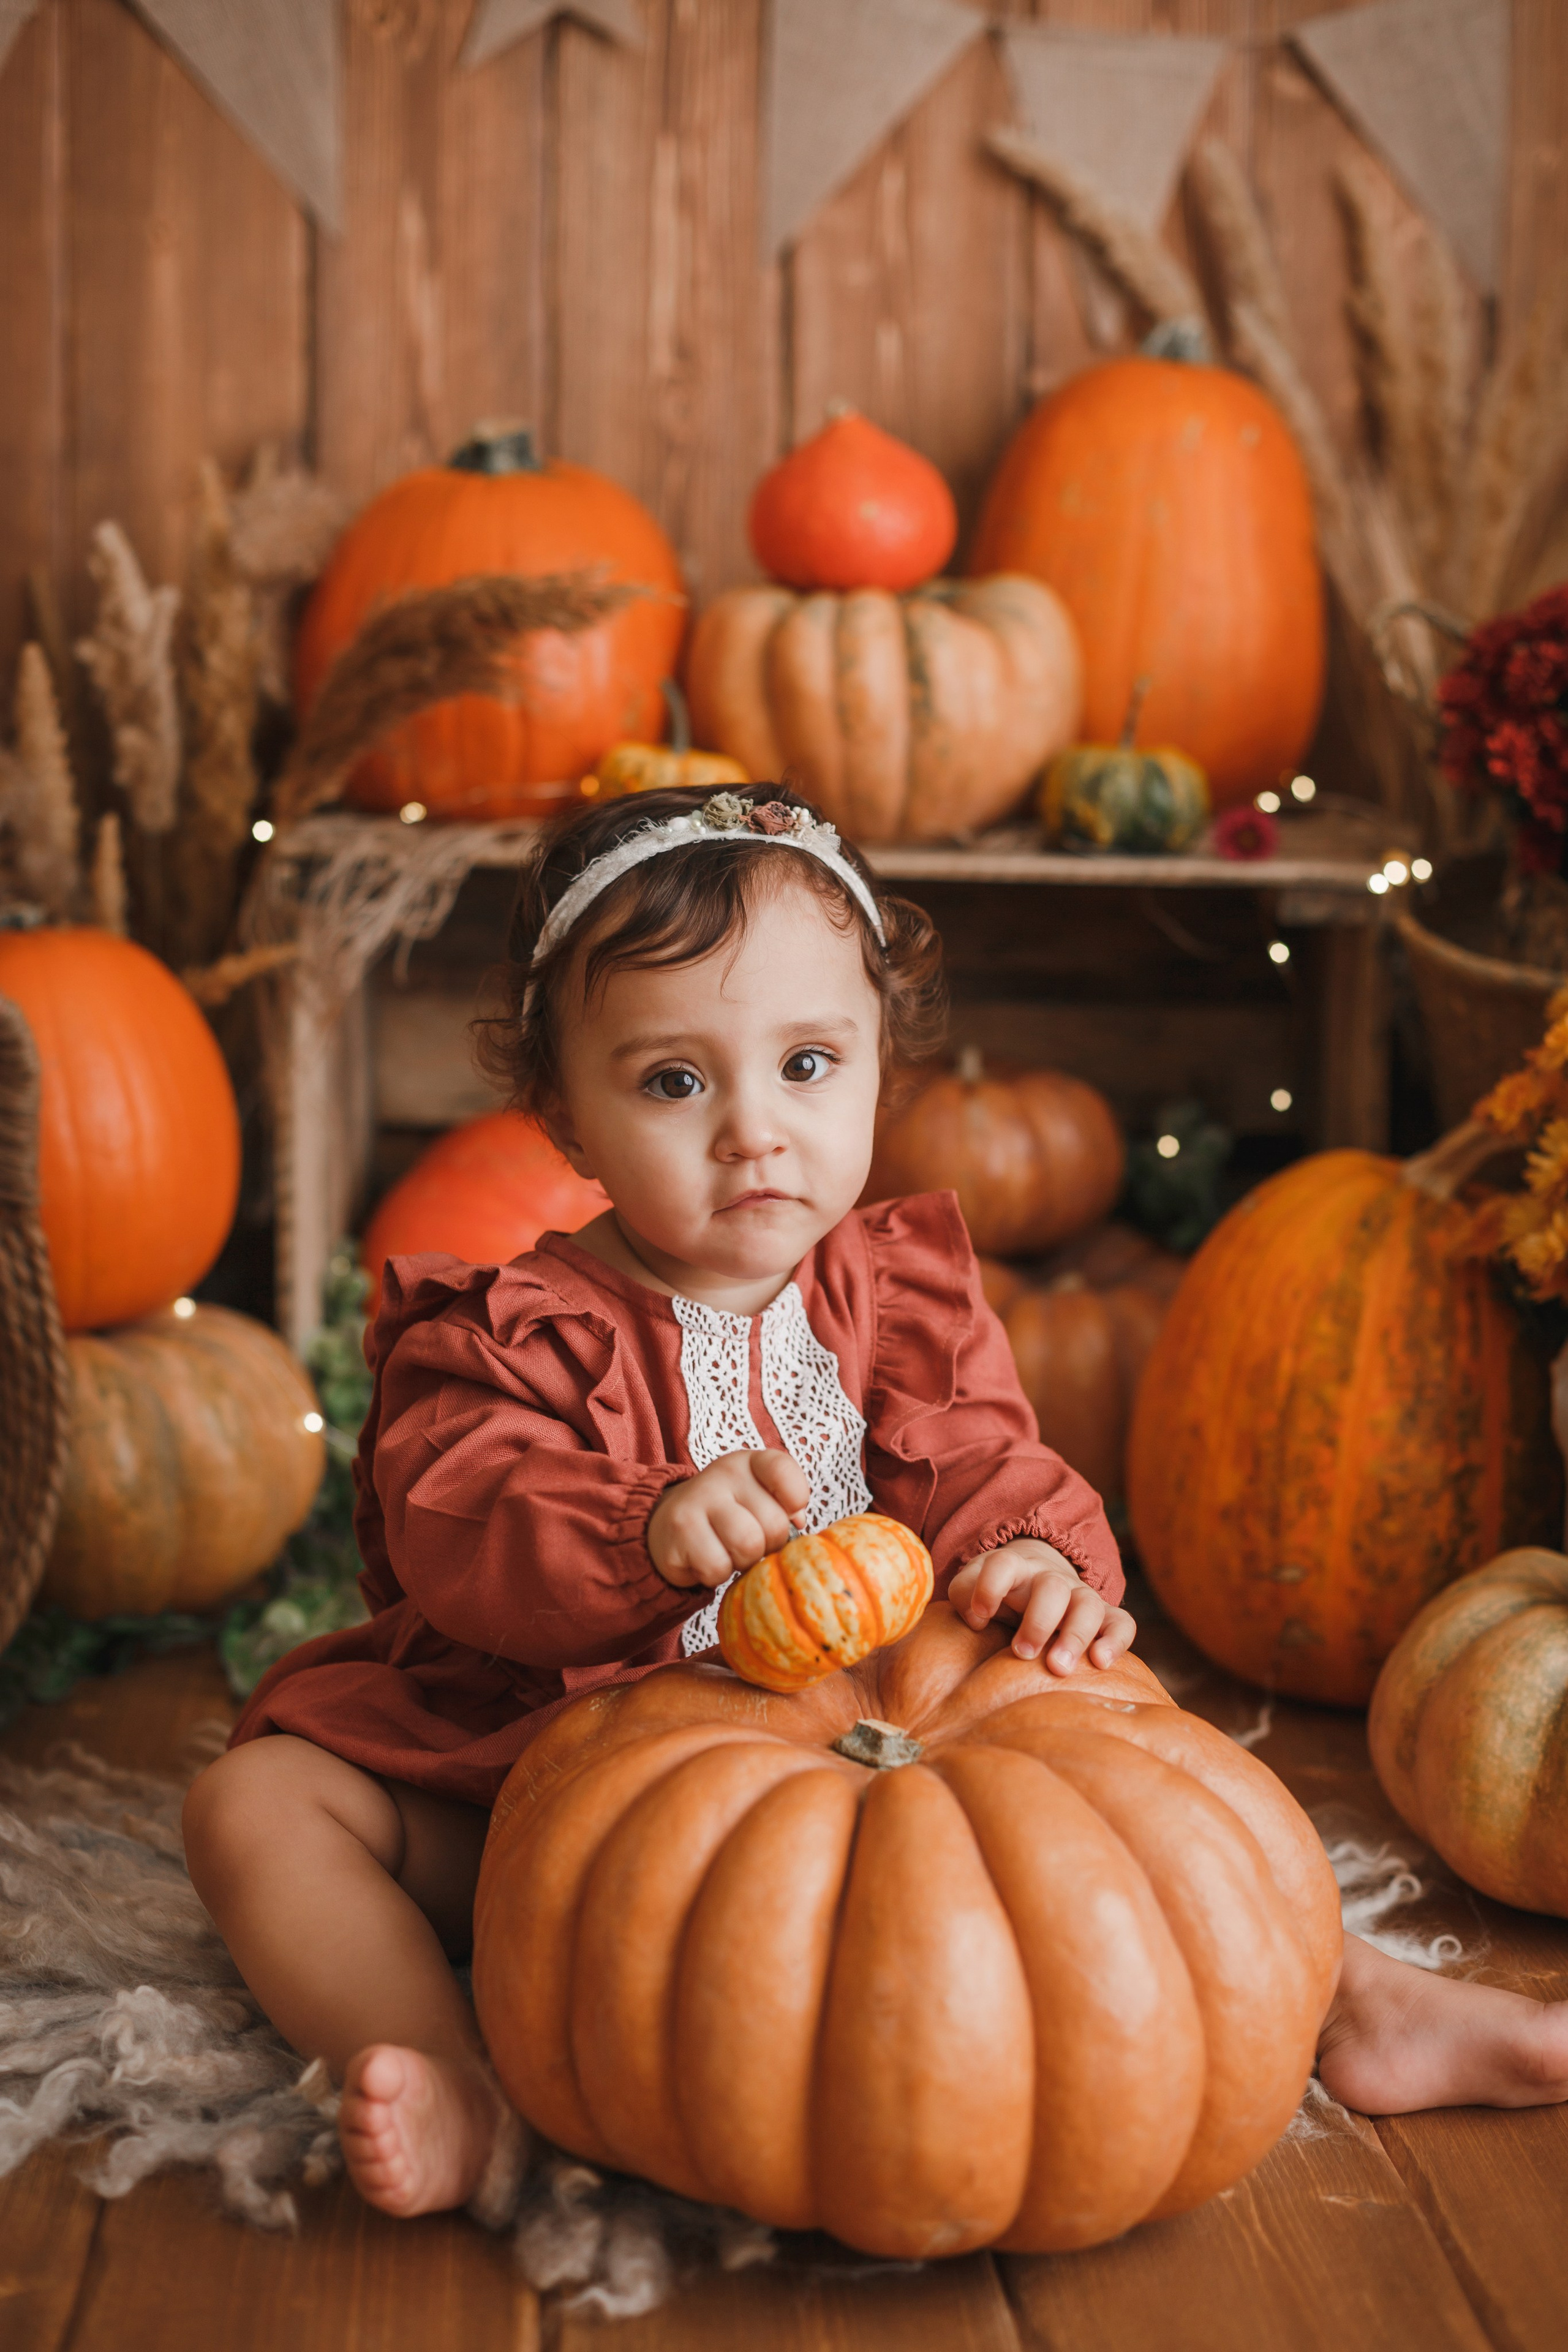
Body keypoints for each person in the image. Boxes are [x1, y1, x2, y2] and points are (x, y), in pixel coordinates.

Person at [184, 784, 1568, 2225]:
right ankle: (435, 2058)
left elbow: (978, 1456)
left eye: (803, 1063)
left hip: (892, 1764)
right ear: (563, 1114)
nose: (751, 1134)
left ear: (876, 1074)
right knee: (258, 1803)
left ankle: (1347, 1999)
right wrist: (638, 1524)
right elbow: (453, 1517)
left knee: (1132, 1744)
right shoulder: (506, 1332)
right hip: (559, 1778)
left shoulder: (899, 1295)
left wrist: (1032, 1557)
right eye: (672, 1082)